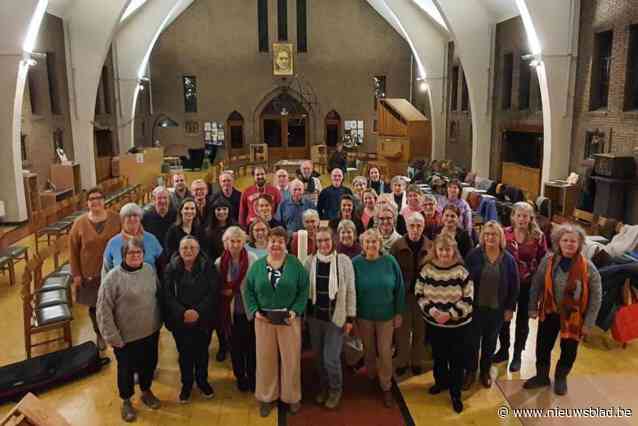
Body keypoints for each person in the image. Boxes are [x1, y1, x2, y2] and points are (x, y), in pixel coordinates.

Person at [524, 224, 601, 396]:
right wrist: (532, 307)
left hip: (574, 318)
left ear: (579, 243)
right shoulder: (548, 261)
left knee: (569, 350)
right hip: (550, 311)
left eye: (573, 241)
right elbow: (536, 285)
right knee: (543, 347)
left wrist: (589, 323)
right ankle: (542, 376)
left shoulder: (589, 267)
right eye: (565, 240)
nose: (569, 244)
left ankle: (560, 377)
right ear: (558, 242)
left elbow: (596, 297)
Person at [245, 227, 309, 417]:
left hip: (289, 320)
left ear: (285, 243)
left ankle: (292, 397)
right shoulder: (257, 266)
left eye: (280, 241)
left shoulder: (296, 265)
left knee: (291, 360)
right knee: (265, 360)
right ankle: (267, 397)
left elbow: (304, 290)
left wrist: (295, 311)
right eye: (273, 241)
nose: (276, 245)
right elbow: (248, 290)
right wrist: (255, 310)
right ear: (267, 243)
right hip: (263, 320)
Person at [97, 238, 162, 422]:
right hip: (125, 337)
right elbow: (103, 310)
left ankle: (146, 391)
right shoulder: (113, 278)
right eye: (131, 253)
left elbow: (157, 295)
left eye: (139, 252)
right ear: (123, 255)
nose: (135, 256)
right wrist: (112, 337)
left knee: (149, 364)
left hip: (150, 331)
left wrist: (159, 322)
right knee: (125, 370)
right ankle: (126, 401)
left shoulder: (149, 270)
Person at [416, 234, 473, 414]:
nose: (444, 253)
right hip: (434, 324)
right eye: (441, 249)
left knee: (456, 359)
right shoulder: (427, 269)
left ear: (453, 250)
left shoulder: (461, 271)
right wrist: (432, 311)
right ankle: (440, 382)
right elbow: (419, 292)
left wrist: (450, 314)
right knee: (439, 356)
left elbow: (469, 297)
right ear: (435, 251)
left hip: (458, 326)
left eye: (448, 250)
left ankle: (455, 393)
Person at [304, 227, 356, 409]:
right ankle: (324, 387)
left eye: (326, 240)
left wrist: (350, 318)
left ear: (333, 241)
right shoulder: (309, 261)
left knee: (330, 358)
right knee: (318, 357)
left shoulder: (343, 261)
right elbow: (304, 291)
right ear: (315, 243)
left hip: (336, 318)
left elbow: (350, 291)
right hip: (314, 318)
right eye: (319, 241)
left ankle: (336, 389)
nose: (323, 244)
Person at [352, 228, 405, 408]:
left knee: (384, 352)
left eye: (374, 241)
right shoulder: (356, 263)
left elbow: (400, 288)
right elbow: (351, 291)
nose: (371, 245)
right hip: (364, 316)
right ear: (362, 244)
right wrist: (353, 318)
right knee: (368, 350)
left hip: (386, 316)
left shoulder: (390, 261)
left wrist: (398, 312)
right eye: (367, 242)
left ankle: (386, 386)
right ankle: (371, 376)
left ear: (380, 244)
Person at [162, 236, 219, 403]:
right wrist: (182, 312)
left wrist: (198, 311)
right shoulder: (170, 269)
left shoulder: (208, 267)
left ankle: (202, 381)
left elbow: (213, 292)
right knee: (184, 354)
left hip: (203, 318)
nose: (188, 251)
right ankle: (186, 384)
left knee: (202, 352)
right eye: (184, 248)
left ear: (198, 249)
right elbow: (167, 295)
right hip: (180, 320)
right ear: (179, 250)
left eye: (192, 248)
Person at [464, 222, 519, 389]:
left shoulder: (508, 259)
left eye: (494, 234)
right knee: (472, 342)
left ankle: (485, 371)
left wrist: (510, 308)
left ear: (500, 237)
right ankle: (471, 371)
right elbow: (464, 279)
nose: (490, 237)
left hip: (497, 310)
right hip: (475, 308)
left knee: (490, 342)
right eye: (487, 234)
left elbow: (514, 286)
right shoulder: (474, 255)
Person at [494, 201, 548, 372]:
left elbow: (543, 261)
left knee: (523, 322)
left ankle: (517, 354)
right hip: (507, 284)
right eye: (519, 215)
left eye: (525, 216)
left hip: (528, 285)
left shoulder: (538, 237)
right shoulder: (504, 233)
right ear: (513, 217)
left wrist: (540, 288)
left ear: (531, 218)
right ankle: (504, 349)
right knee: (504, 318)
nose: (522, 219)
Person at [69, 187, 121, 351]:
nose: (95, 201)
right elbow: (73, 250)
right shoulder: (79, 223)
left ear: (104, 200)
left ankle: (116, 331)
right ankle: (99, 333)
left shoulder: (116, 218)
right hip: (89, 273)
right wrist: (76, 274)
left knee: (115, 303)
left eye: (98, 198)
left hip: (113, 270)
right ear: (87, 203)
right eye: (91, 199)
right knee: (95, 306)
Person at [215, 226, 259, 392]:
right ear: (225, 243)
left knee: (251, 348)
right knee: (236, 349)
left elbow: (258, 285)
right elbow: (216, 288)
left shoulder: (253, 259)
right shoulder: (219, 263)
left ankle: (253, 377)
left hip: (249, 311)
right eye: (231, 241)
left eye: (238, 241)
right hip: (231, 313)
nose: (235, 244)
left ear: (244, 242)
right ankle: (240, 377)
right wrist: (223, 292)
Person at [390, 212, 429, 377]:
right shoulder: (397, 246)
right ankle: (402, 361)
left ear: (423, 227)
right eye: (412, 225)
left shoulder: (430, 246)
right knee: (402, 332)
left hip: (423, 297)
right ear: (406, 227)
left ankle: (416, 361)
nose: (415, 229)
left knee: (420, 331)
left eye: (419, 225)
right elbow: (391, 273)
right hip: (403, 296)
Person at [102, 203, 163, 278]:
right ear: (122, 220)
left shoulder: (151, 239)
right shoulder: (113, 242)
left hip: (148, 286)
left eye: (135, 215)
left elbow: (162, 266)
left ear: (140, 218)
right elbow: (106, 271)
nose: (132, 218)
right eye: (128, 216)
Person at [203, 197, 236, 265]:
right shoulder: (207, 231)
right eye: (218, 209)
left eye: (224, 209)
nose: (221, 212)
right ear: (213, 211)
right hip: (216, 265)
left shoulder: (236, 228)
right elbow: (208, 254)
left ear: (229, 210)